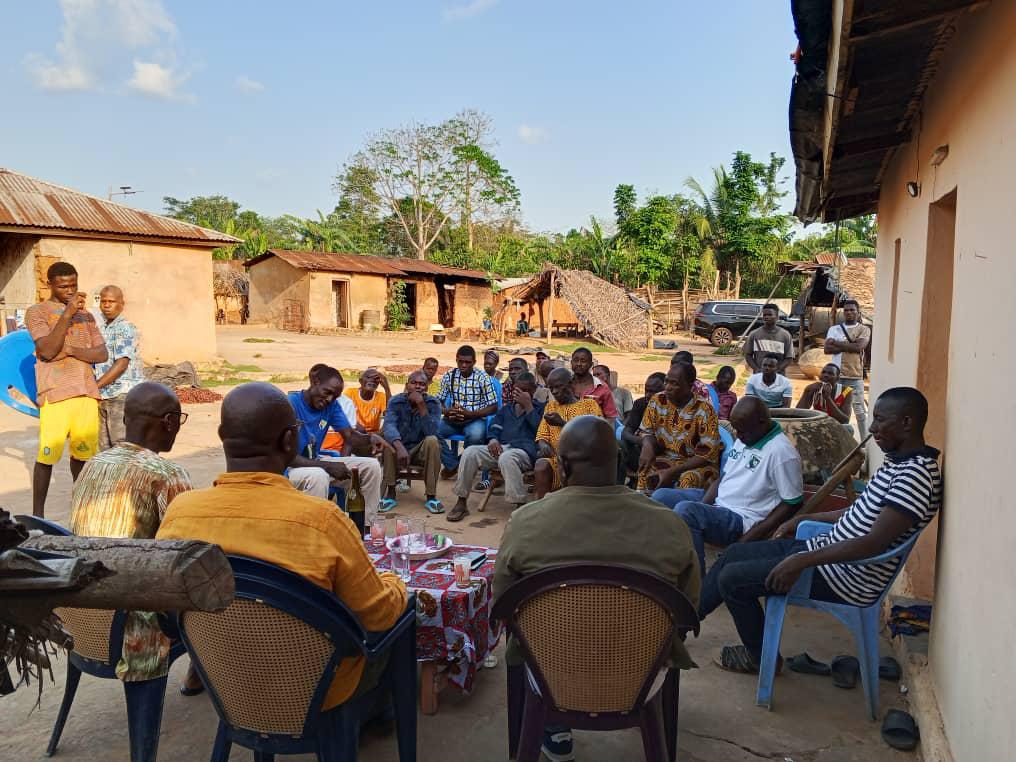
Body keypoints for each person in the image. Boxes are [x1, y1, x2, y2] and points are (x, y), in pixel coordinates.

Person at [157, 382, 408, 708]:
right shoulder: (322, 521)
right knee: (403, 620)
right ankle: (376, 718)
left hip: (225, 677)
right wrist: (396, 583)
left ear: (222, 436)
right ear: (290, 441)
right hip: (314, 688)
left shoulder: (180, 513)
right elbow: (377, 615)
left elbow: (167, 610)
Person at [493, 415, 700, 762]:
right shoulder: (669, 523)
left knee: (528, 644)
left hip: (550, 672)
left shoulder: (525, 523)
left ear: (562, 465)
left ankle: (551, 728)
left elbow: (502, 601)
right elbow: (688, 610)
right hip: (641, 673)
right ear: (618, 459)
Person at [700, 387, 942, 674]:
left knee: (732, 579)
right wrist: (805, 519)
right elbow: (858, 512)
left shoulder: (915, 476)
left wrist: (801, 561)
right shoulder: (899, 464)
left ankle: (760, 658)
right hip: (827, 557)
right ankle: (683, 621)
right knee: (734, 554)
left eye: (880, 420)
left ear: (907, 422)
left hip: (846, 577)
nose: (872, 428)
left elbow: (874, 543)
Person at [70, 382, 193, 687]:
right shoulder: (166, 475)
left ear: (125, 419)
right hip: (133, 629)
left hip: (82, 617)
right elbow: (186, 552)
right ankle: (207, 676)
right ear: (169, 422)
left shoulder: (93, 464)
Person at [652, 398, 804, 575]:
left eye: (742, 431)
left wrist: (745, 540)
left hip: (741, 517)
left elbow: (792, 503)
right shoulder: (746, 437)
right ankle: (664, 564)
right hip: (720, 502)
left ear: (761, 423)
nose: (738, 436)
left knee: (687, 511)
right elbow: (724, 477)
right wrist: (704, 505)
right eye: (736, 430)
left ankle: (696, 579)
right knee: (660, 497)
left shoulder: (782, 453)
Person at [26, 262, 109, 517]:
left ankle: (82, 512)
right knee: (47, 456)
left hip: (86, 392)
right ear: (49, 284)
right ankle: (38, 516)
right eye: (63, 286)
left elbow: (102, 354)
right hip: (55, 393)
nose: (70, 290)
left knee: (82, 458)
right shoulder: (36, 312)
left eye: (73, 285)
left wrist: (71, 350)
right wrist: (66, 315)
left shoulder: (87, 315)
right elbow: (48, 350)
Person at [286, 365, 389, 525]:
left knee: (371, 467)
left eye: (334, 396)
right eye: (327, 392)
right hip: (289, 468)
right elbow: (287, 457)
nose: (329, 399)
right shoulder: (290, 405)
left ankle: (364, 528)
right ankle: (316, 532)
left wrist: (370, 438)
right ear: (315, 381)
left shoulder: (331, 406)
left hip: (314, 461)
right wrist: (327, 466)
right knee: (318, 476)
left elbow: (349, 436)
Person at [448, 372, 544, 522]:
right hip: (500, 449)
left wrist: (528, 406)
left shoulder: (540, 409)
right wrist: (492, 439)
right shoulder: (507, 409)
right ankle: (461, 501)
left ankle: (519, 505)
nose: (520, 393)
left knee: (507, 457)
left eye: (525, 390)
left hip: (524, 452)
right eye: (518, 390)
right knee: (470, 452)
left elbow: (542, 431)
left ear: (534, 390)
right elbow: (494, 427)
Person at [638, 362, 722, 492]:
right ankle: (647, 505)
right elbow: (646, 430)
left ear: (690, 385)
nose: (668, 387)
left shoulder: (704, 409)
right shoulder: (657, 400)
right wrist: (647, 446)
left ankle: (680, 506)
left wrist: (672, 472)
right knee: (647, 471)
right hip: (667, 458)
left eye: (674, 383)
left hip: (696, 464)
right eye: (666, 382)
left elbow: (707, 455)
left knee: (687, 479)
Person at [532, 368, 603, 499]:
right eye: (551, 388)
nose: (554, 391)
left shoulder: (589, 405)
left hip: (583, 460)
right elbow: (542, 435)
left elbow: (594, 437)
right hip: (557, 460)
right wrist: (544, 446)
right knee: (541, 465)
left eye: (558, 386)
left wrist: (562, 423)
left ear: (571, 384)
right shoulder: (551, 407)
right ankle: (542, 506)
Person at [380, 370, 444, 515]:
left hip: (420, 451)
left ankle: (431, 496)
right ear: (407, 385)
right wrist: (399, 446)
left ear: (426, 387)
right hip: (399, 449)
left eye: (422, 384)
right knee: (388, 440)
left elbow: (432, 431)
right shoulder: (396, 401)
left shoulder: (433, 403)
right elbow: (389, 426)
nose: (417, 387)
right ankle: (390, 492)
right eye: (414, 383)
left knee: (432, 440)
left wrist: (421, 405)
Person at [93, 285, 144, 450]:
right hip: (105, 395)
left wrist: (95, 387)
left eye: (112, 301)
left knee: (122, 446)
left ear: (122, 304)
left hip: (122, 394)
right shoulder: (103, 328)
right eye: (104, 301)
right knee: (104, 448)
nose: (107, 305)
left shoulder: (125, 328)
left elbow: (121, 364)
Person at [436, 345, 498, 475]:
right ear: (456, 360)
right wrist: (447, 411)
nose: (463, 365)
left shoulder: (482, 378)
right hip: (453, 419)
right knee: (432, 431)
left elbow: (493, 407)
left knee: (476, 436)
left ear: (474, 362)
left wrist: (470, 414)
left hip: (475, 419)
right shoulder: (449, 376)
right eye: (461, 361)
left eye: (468, 362)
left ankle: (459, 464)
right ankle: (452, 464)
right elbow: (437, 402)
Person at [824, 299, 870, 438]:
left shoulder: (864, 329)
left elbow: (859, 347)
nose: (849, 312)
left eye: (852, 310)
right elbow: (827, 349)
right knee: (836, 409)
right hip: (835, 376)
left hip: (854, 375)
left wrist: (836, 343)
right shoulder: (834, 329)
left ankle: (864, 443)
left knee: (859, 411)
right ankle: (839, 439)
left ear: (858, 312)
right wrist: (851, 345)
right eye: (846, 310)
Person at [618, 372, 667, 486]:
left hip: (665, 456)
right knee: (618, 446)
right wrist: (645, 442)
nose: (648, 395)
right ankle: (618, 486)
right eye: (646, 390)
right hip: (641, 451)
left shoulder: (671, 408)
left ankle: (636, 480)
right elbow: (626, 432)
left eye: (653, 391)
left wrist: (648, 442)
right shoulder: (641, 403)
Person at [342, 368, 388, 454]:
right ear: (360, 381)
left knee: (388, 432)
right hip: (356, 433)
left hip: (374, 435)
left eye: (376, 379)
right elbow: (343, 415)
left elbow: (390, 414)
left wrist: (386, 387)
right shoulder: (350, 393)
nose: (372, 381)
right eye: (368, 377)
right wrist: (359, 428)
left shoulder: (381, 396)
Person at [569, 347, 618, 426]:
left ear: (591, 365)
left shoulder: (602, 387)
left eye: (583, 361)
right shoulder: (565, 383)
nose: (579, 364)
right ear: (571, 362)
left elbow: (610, 417)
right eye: (576, 360)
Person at [743, 304, 793, 374]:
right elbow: (748, 355)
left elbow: (789, 358)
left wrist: (777, 370)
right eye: (764, 315)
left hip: (778, 377)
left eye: (770, 315)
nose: (766, 317)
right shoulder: (754, 334)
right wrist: (756, 369)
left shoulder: (785, 335)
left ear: (777, 317)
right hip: (759, 376)